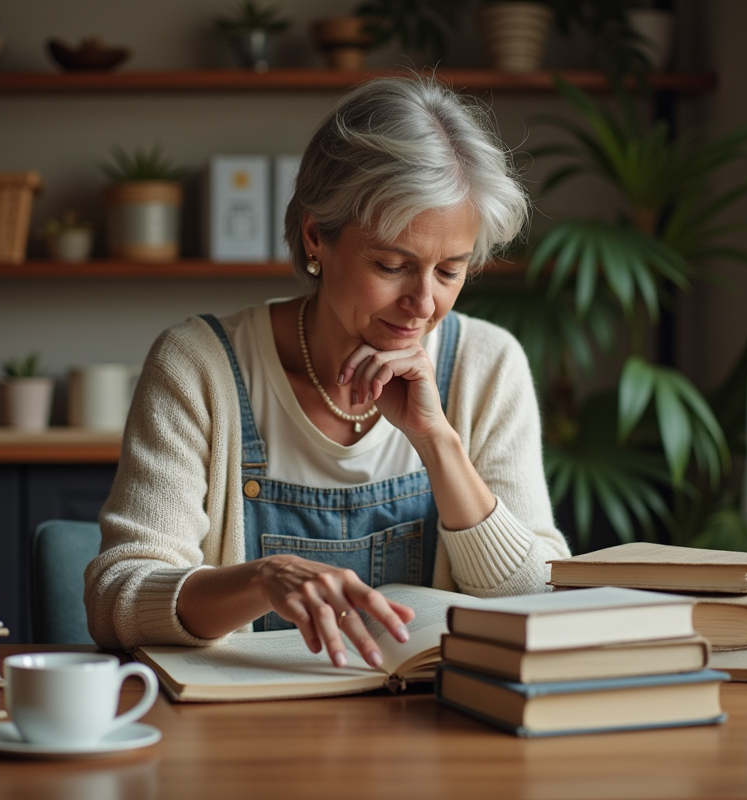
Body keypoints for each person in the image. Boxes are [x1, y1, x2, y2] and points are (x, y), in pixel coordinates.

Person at [85, 76, 571, 671]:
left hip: (432, 737)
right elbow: (116, 601)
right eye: (393, 265)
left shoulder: (487, 365)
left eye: (450, 271)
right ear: (317, 237)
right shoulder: (198, 366)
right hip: (240, 737)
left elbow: (536, 600)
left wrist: (437, 443)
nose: (424, 303)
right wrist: (263, 580)